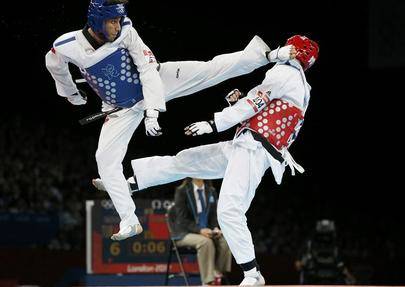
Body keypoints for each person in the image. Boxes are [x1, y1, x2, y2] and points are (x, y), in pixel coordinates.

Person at [46, 0, 295, 241]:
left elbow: (146, 69)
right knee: (105, 160)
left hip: (160, 81)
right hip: (119, 108)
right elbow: (55, 65)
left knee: (210, 70)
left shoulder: (126, 30)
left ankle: (268, 55)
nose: (117, 26)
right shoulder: (66, 45)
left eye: (119, 20)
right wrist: (71, 93)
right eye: (112, 21)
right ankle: (129, 219)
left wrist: (152, 111)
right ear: (96, 20)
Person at [94, 35, 319, 285]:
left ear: (293, 52)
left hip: (255, 150)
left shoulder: (285, 74)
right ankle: (130, 185)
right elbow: (264, 110)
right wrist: (239, 102)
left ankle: (253, 274)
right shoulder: (299, 83)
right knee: (187, 161)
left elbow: (253, 105)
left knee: (229, 211)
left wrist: (213, 124)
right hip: (245, 144)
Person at [169, 178, 231, 285]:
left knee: (225, 241)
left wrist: (215, 228)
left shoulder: (211, 191)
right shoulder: (182, 191)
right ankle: (207, 281)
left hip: (207, 232)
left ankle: (217, 272)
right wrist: (199, 230)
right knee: (206, 242)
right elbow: (182, 219)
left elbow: (213, 216)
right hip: (184, 233)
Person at [295, 219, 356, 285]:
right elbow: (298, 265)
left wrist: (349, 276)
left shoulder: (335, 246)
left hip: (330, 279)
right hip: (312, 279)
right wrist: (305, 262)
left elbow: (340, 265)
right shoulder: (308, 244)